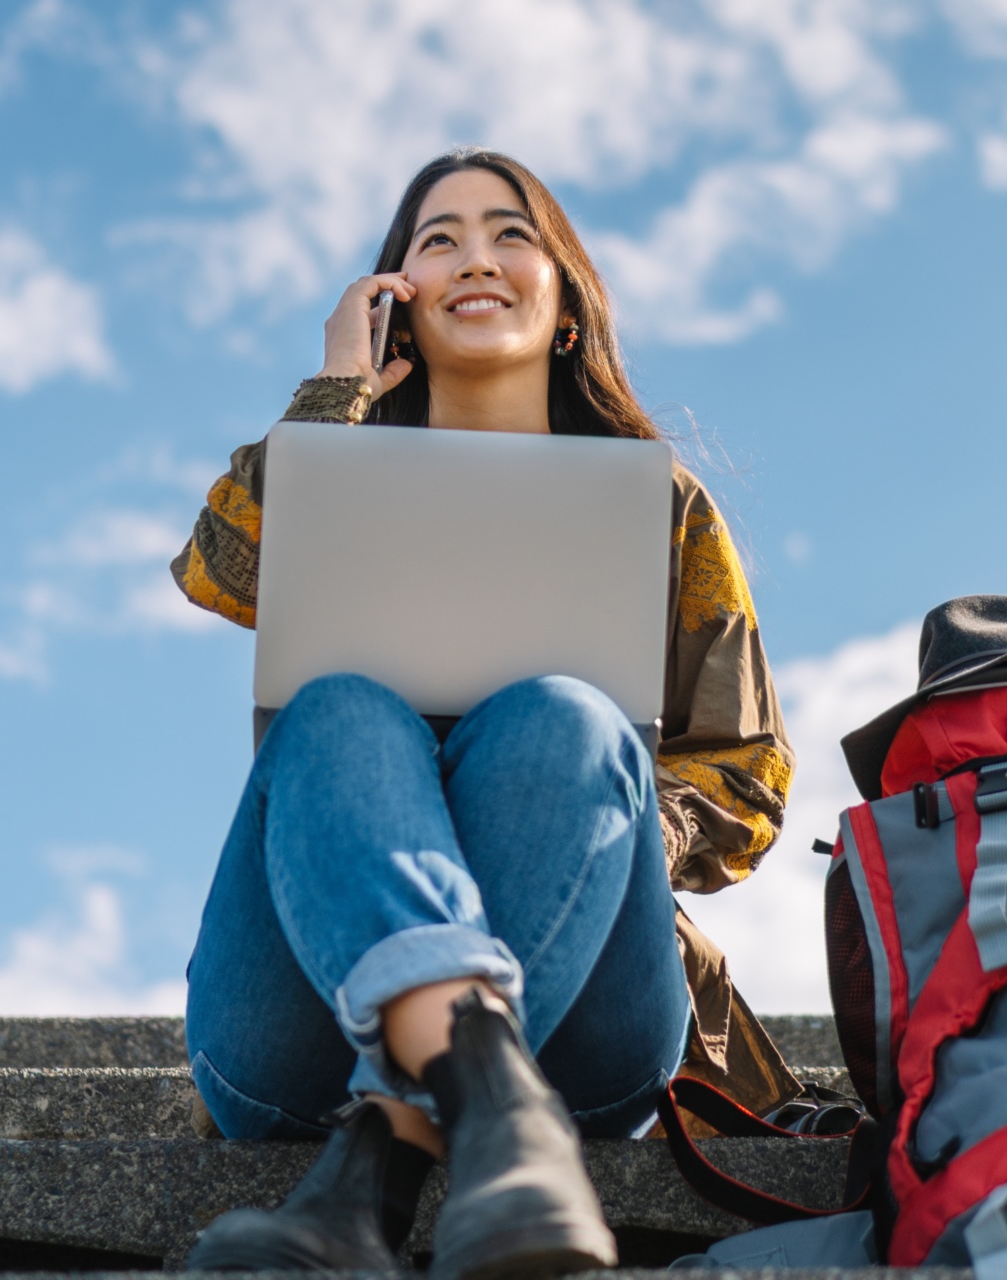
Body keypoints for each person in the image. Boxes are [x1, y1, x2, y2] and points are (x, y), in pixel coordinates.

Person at [167, 148, 797, 1280]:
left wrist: (588, 803)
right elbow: (214, 569)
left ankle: (370, 1177)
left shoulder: (658, 503)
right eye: (436, 237)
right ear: (394, 298)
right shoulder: (332, 461)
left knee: (566, 717)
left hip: (590, 1033)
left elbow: (745, 785)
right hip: (293, 1031)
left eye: (511, 233)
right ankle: (471, 1111)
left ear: (564, 302)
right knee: (341, 710)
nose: (476, 256)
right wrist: (334, 392)